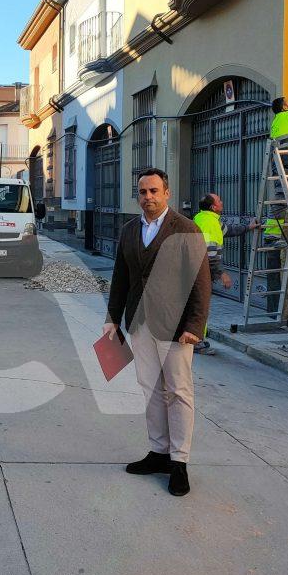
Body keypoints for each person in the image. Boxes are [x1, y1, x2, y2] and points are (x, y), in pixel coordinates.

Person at [103, 167, 211, 497]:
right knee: (151, 390)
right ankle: (159, 452)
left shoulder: (187, 229)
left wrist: (194, 326)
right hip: (139, 322)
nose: (148, 196)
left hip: (176, 327)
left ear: (167, 193)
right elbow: (121, 276)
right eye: (143, 192)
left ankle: (179, 462)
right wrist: (112, 318)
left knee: (179, 392)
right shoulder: (129, 230)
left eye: (153, 191)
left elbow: (201, 281)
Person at [192, 193, 260, 354]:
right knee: (200, 307)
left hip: (196, 270)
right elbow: (209, 253)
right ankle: (196, 342)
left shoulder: (204, 218)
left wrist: (248, 227)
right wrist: (221, 273)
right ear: (213, 207)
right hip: (200, 272)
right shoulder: (209, 223)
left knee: (197, 305)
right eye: (219, 201)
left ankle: (195, 339)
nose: (222, 202)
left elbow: (228, 230)